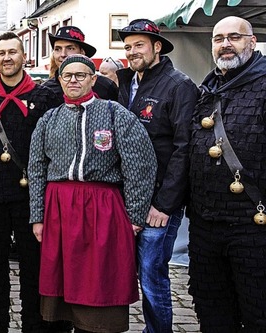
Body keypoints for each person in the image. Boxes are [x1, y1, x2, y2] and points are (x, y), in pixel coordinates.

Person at [29, 54, 157, 333]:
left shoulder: (115, 114)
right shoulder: (49, 119)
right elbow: (36, 170)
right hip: (59, 208)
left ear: (93, 79)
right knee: (62, 283)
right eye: (68, 76)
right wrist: (37, 216)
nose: (73, 80)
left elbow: (140, 164)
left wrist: (134, 215)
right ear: (60, 80)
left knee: (98, 280)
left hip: (102, 208)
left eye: (80, 75)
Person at [0, 31, 61, 333]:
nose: (7, 58)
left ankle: (33, 326)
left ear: (24, 56)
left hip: (31, 200)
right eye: (1, 53)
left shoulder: (46, 98)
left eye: (12, 52)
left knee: (33, 269)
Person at [117, 19, 199, 333]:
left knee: (152, 273)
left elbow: (184, 148)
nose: (132, 51)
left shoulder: (179, 85)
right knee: (131, 270)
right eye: (128, 46)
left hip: (159, 202)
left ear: (157, 47)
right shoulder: (126, 83)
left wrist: (164, 205)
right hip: (130, 196)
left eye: (139, 45)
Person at [188, 16, 266, 332]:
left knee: (258, 311)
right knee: (212, 311)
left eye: (234, 36)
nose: (225, 44)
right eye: (218, 38)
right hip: (206, 224)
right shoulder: (206, 91)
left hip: (254, 227)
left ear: (252, 42)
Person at [43, 26, 118, 107]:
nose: (63, 54)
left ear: (82, 52)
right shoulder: (46, 90)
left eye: (70, 48)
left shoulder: (105, 86)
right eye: (57, 49)